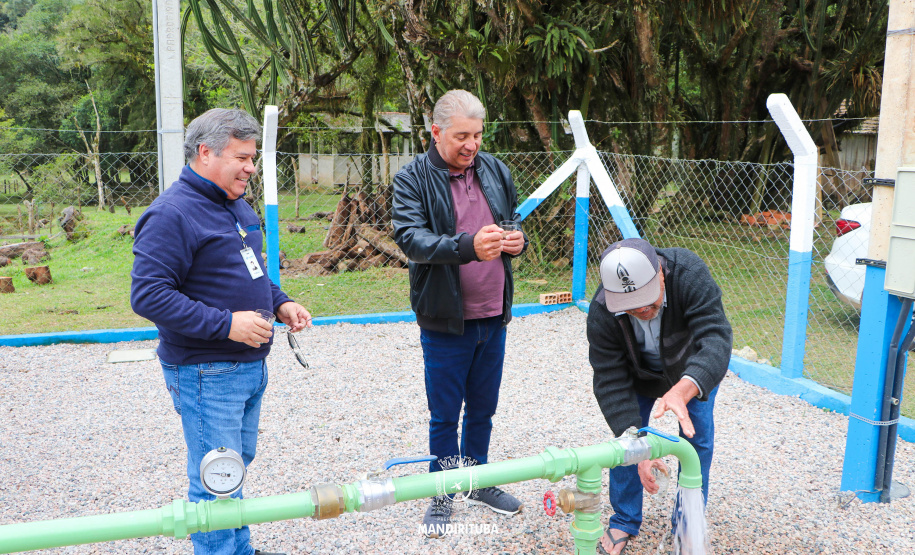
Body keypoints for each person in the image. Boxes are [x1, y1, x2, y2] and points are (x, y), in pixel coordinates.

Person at [131, 108, 311, 555]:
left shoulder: (236, 204)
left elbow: (251, 272)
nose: (251, 167)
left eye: (253, 158)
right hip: (205, 372)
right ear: (204, 152)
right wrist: (228, 324)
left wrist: (280, 301)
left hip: (248, 367)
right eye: (242, 157)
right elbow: (148, 296)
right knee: (216, 478)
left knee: (233, 469)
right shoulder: (171, 214)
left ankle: (239, 550)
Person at [392, 89, 528, 537]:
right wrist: (467, 246)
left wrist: (515, 241)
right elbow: (411, 239)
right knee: (445, 413)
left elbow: (511, 221)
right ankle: (444, 489)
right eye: (462, 136)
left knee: (484, 409)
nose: (472, 145)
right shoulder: (412, 178)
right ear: (435, 132)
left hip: (493, 313)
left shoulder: (494, 169)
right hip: (445, 317)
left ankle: (478, 480)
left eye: (478, 134)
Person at [586, 238, 732, 555]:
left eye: (649, 301)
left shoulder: (689, 272)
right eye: (632, 304)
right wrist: (636, 442)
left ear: (661, 273)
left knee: (697, 441)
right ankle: (623, 520)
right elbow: (609, 377)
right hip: (637, 377)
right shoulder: (602, 310)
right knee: (626, 445)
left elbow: (715, 336)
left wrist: (687, 385)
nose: (642, 309)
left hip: (691, 370)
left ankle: (687, 524)